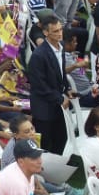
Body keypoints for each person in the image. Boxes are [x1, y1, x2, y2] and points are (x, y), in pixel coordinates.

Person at [26, 15, 71, 154]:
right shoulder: (39, 55)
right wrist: (60, 98)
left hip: (57, 103)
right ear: (45, 32)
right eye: (55, 31)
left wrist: (67, 89)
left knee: (61, 139)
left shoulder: (61, 47)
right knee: (44, 144)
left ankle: (57, 162)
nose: (60, 33)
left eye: (60, 29)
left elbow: (61, 72)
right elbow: (39, 85)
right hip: (44, 107)